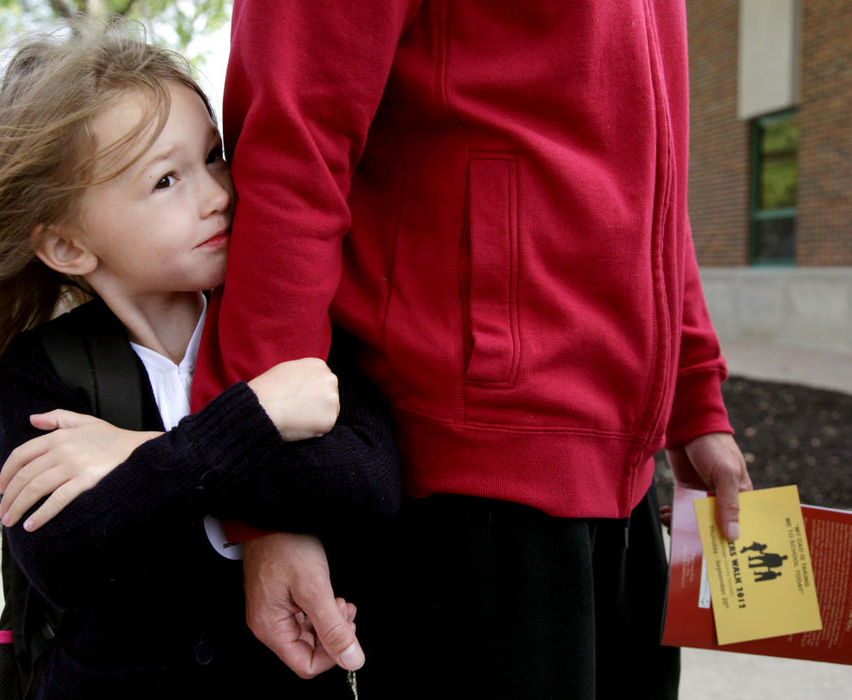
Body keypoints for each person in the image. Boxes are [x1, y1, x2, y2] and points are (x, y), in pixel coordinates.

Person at [190, 1, 755, 697]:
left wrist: (696, 400)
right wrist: (272, 499)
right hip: (467, 489)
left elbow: (655, 175)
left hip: (626, 492)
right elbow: (292, 151)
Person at [0, 21, 399, 698]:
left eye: (213, 156)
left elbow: (367, 482)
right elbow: (63, 551)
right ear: (67, 247)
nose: (219, 193)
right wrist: (251, 423)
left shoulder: (286, 327)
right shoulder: (43, 368)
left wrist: (134, 455)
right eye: (167, 180)